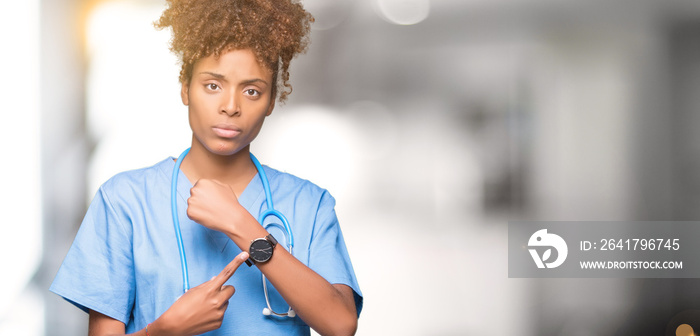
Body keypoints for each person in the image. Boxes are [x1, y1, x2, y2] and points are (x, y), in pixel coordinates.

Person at [49, 0, 362, 335]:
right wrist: (166, 330)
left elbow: (341, 324)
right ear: (185, 87)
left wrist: (241, 223)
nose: (230, 107)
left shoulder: (309, 205)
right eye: (213, 85)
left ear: (271, 101)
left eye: (252, 91)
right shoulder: (124, 201)